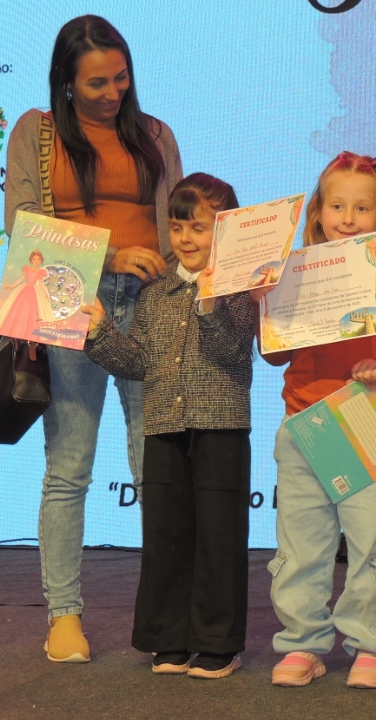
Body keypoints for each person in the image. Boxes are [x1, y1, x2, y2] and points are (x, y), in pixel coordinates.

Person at [3, 14, 182, 662]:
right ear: (66, 83)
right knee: (69, 466)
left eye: (121, 78)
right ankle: (64, 615)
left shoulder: (154, 133)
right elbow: (22, 224)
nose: (113, 93)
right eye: (97, 83)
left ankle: (166, 616)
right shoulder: (37, 131)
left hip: (150, 300)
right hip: (66, 297)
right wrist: (109, 257)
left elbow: (175, 223)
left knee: (154, 467)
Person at [263, 152, 376, 689]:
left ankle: (373, 643)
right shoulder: (292, 277)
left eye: (361, 208)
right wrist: (264, 305)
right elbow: (274, 354)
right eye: (337, 206)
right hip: (305, 423)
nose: (347, 218)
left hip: (367, 424)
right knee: (301, 546)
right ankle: (302, 642)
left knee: (373, 545)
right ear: (318, 212)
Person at [81, 173, 254, 679]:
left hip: (220, 426)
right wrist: (98, 332)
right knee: (166, 535)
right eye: (177, 228)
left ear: (225, 231)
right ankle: (169, 638)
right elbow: (138, 361)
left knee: (219, 536)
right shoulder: (155, 292)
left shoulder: (239, 288)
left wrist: (210, 304)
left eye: (198, 228)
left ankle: (218, 642)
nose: (185, 238)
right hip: (163, 426)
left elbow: (232, 351)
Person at [0, 249, 53, 338]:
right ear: (31, 260)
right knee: (17, 307)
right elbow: (21, 279)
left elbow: (41, 283)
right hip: (24, 289)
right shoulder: (27, 269)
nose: (36, 261)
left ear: (41, 261)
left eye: (38, 259)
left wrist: (46, 293)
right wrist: (12, 286)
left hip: (34, 291)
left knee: (34, 310)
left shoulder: (40, 272)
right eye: (34, 259)